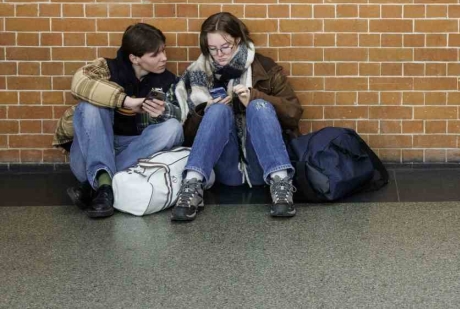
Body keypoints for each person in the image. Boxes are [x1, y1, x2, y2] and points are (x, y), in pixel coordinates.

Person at [170, 12, 304, 221]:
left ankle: (281, 184)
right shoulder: (197, 74)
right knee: (217, 110)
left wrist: (254, 96)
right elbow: (186, 138)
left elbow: (293, 114)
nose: (219, 54)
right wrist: (202, 112)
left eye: (225, 47)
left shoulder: (265, 68)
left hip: (262, 164)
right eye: (212, 49)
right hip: (226, 168)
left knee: (259, 105)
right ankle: (192, 186)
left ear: (238, 40)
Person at [53, 23, 184, 218]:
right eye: (155, 54)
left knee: (173, 128)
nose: (164, 58)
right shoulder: (107, 68)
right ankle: (103, 180)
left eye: (163, 51)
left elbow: (182, 117)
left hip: (134, 152)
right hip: (89, 153)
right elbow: (79, 83)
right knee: (89, 106)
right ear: (135, 58)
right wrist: (126, 101)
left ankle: (97, 185)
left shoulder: (167, 80)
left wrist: (164, 112)